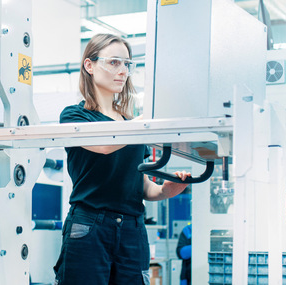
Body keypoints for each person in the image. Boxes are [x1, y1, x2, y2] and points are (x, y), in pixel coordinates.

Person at [53, 34, 191, 285]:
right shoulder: (75, 116)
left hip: (132, 229)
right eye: (115, 62)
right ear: (89, 66)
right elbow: (105, 145)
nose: (123, 71)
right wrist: (146, 121)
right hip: (90, 226)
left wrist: (165, 190)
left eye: (127, 64)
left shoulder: (133, 126)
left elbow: (141, 185)